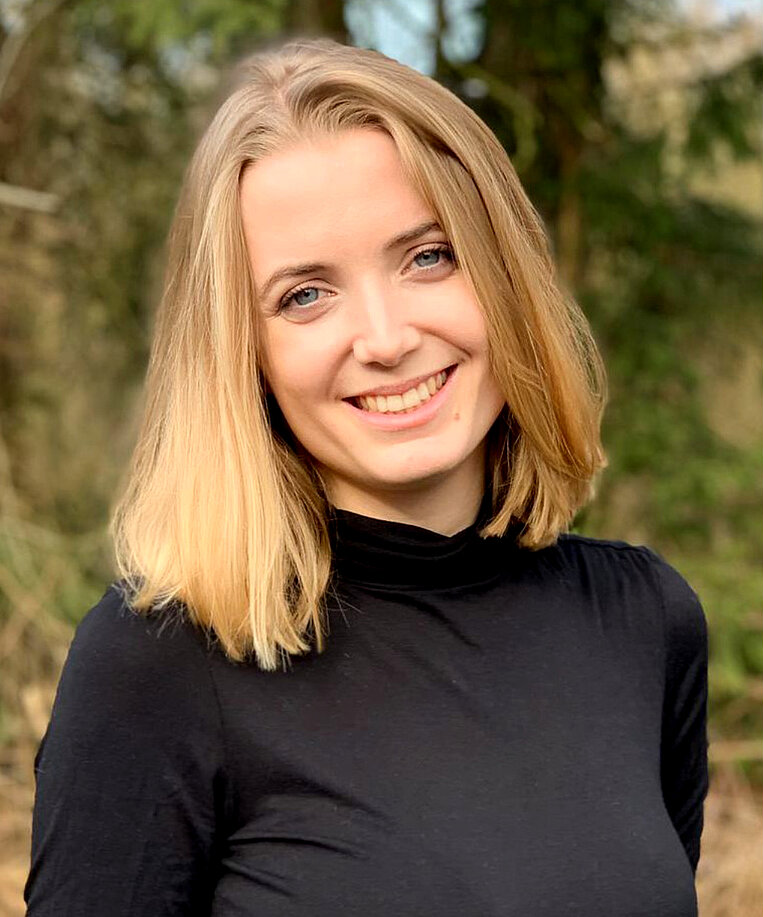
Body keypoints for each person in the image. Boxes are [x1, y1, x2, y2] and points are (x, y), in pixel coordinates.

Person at [24, 38, 709, 916]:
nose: (384, 339)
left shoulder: (644, 620)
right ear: (244, 354)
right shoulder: (157, 665)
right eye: (305, 295)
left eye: (428, 256)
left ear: (506, 274)